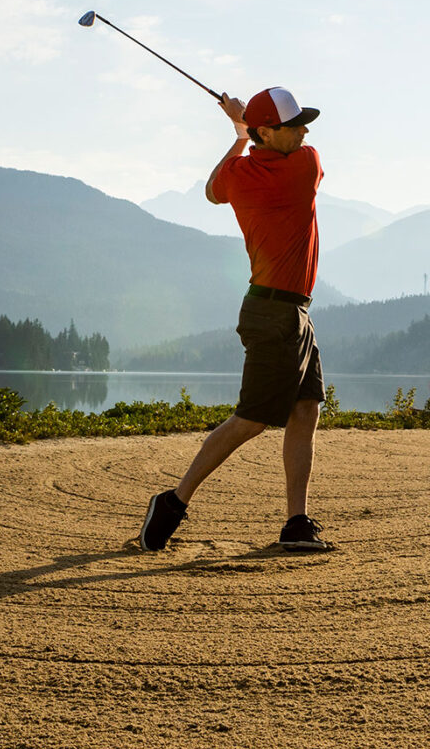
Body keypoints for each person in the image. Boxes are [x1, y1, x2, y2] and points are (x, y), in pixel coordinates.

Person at [135, 85, 332, 554]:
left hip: (286, 310)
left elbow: (210, 190)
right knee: (251, 419)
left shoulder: (240, 174)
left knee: (306, 408)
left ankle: (296, 523)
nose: (305, 131)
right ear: (270, 131)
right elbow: (294, 156)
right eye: (294, 124)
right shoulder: (305, 167)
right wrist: (242, 125)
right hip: (275, 314)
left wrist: (239, 133)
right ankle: (172, 503)